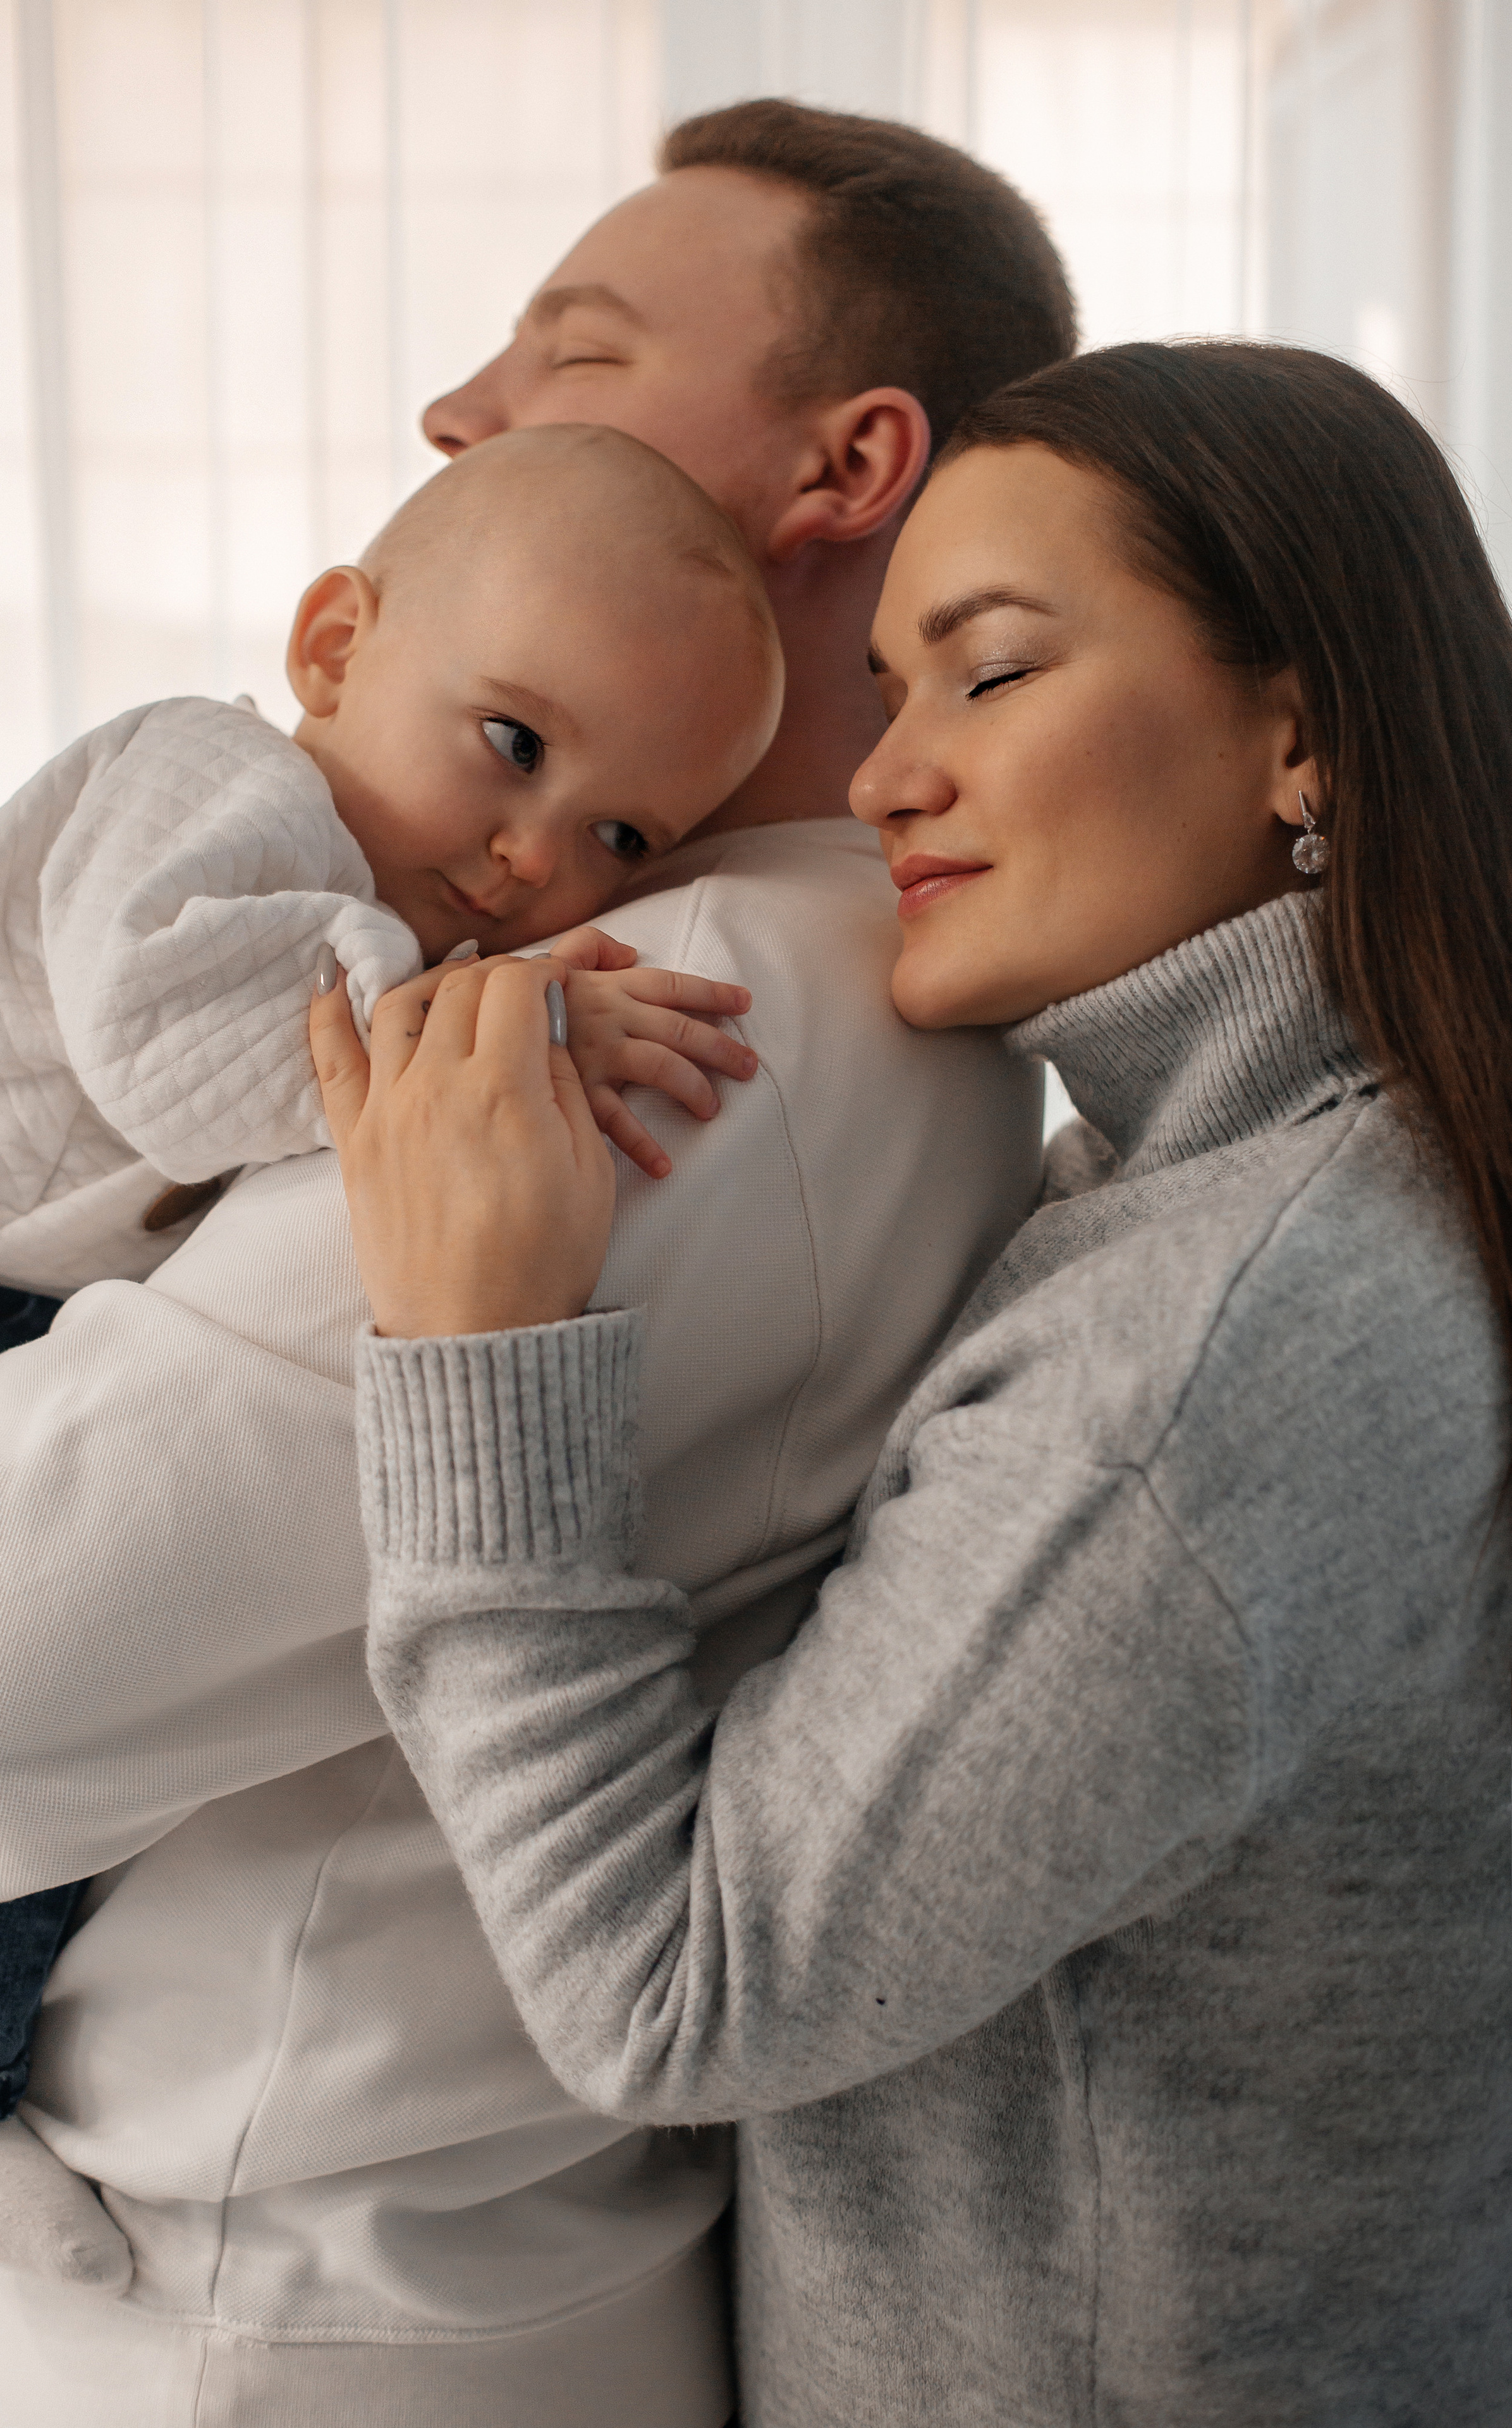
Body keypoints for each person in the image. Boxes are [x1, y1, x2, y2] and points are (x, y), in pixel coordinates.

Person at [0, 102, 1070, 2428]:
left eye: (578, 346)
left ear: (849, 464)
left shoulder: (671, 1021)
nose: (460, 407)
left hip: (230, 2322)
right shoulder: (702, 956)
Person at [319, 339, 1512, 2428]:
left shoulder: (1203, 1360)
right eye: (887, 693)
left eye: (994, 671)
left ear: (1299, 733)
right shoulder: (1269, 1188)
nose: (884, 778)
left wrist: (484, 1353)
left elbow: (671, 1996)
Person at [0, 424, 778, 2288]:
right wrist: (482, 1019)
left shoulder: (336, 875)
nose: (535, 858)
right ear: (330, 649)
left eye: (623, 837)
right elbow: (166, 1043)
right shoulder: (207, 776)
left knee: (71, 1760)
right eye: (514, 746)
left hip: (2, 1298)